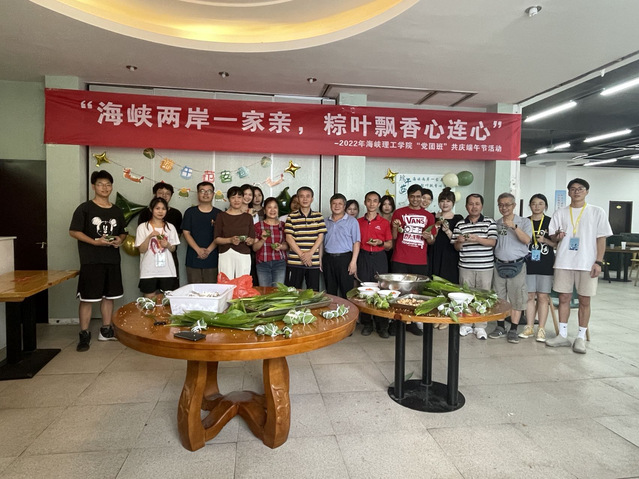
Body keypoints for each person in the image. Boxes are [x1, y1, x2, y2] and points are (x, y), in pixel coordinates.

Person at [546, 178, 613, 354]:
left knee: (584, 300)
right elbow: (553, 237)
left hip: (587, 262)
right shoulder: (560, 212)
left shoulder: (597, 212)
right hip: (564, 261)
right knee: (563, 298)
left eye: (580, 188)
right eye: (573, 189)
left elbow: (601, 239)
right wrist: (557, 236)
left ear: (587, 191)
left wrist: (598, 261)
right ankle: (562, 335)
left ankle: (581, 337)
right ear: (568, 192)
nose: (576, 192)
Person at [69, 170, 127, 352]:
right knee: (87, 298)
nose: (105, 187)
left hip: (112, 260)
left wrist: (119, 240)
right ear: (93, 187)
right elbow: (74, 231)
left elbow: (123, 232)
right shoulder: (85, 208)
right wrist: (95, 242)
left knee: (109, 297)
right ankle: (84, 333)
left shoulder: (116, 210)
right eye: (101, 184)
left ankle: (106, 330)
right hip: (91, 260)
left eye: (108, 184)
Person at [390, 184, 436, 335]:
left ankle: (412, 322)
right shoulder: (399, 212)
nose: (415, 199)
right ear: (408, 197)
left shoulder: (429, 216)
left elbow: (432, 241)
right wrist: (395, 227)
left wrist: (428, 237)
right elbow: (394, 237)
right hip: (400, 258)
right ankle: (398, 322)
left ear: (422, 198)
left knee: (416, 294)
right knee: (398, 292)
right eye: (412, 196)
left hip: (419, 261)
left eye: (418, 196)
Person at [452, 193, 497, 340]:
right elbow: (456, 248)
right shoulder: (460, 224)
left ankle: (480, 326)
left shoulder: (489, 222)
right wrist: (459, 241)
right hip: (465, 266)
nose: (474, 207)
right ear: (466, 206)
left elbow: (492, 242)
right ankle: (466, 324)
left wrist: (477, 239)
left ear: (481, 206)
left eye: (477, 204)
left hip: (485, 267)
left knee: (482, 297)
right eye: (471, 204)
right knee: (465, 297)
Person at [490, 193, 532, 344]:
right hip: (498, 264)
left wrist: (514, 226)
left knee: (517, 297)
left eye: (507, 204)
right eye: (501, 205)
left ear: (514, 205)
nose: (504, 208)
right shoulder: (496, 223)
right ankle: (500, 327)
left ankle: (514, 329)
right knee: (499, 298)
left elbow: (527, 240)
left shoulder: (524, 222)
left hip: (517, 264)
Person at [427, 187, 464, 330]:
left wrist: (448, 230)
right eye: (442, 201)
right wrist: (436, 226)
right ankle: (437, 315)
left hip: (450, 255)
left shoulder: (458, 219)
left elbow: (458, 240)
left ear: (453, 203)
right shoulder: (433, 217)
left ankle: (447, 317)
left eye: (448, 201)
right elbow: (430, 237)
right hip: (434, 254)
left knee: (449, 286)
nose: (445, 204)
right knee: (434, 286)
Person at [357, 191, 393, 337]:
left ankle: (382, 325)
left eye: (375, 201)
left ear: (378, 204)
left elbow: (390, 244)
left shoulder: (384, 223)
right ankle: (367, 323)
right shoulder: (358, 222)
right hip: (363, 256)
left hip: (379, 257)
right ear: (365, 202)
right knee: (365, 289)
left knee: (381, 289)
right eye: (369, 200)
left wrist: (380, 243)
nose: (372, 203)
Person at [523, 194, 556, 342]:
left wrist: (545, 241)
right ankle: (529, 327)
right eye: (534, 203)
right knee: (529, 296)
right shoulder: (525, 222)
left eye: (540, 203)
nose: (537, 206)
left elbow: (556, 244)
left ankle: (541, 328)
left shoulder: (551, 222)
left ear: (545, 206)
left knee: (543, 297)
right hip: (528, 263)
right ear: (530, 205)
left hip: (545, 264)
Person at [134, 197, 180, 297]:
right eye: (157, 208)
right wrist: (149, 237)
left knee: (167, 300)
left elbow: (173, 249)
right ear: (151, 209)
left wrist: (167, 245)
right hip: (149, 270)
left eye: (163, 209)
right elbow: (141, 250)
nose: (160, 211)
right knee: (149, 300)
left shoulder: (170, 227)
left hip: (167, 271)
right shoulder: (143, 227)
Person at [138, 181, 182, 281]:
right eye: (161, 193)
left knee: (170, 287)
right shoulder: (145, 213)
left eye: (167, 194)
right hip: (149, 259)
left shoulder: (176, 214)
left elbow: (177, 237)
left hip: (169, 256)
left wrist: (168, 244)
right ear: (155, 194)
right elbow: (141, 239)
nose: (164, 196)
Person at [284, 186, 326, 291]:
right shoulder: (291, 217)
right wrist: (302, 255)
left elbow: (320, 237)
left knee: (313, 293)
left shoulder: (318, 216)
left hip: (313, 262)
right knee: (293, 292)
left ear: (312, 199)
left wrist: (310, 254)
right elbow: (289, 238)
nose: (305, 199)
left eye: (308, 196)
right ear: (298, 199)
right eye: (302, 196)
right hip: (295, 262)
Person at [181, 181, 221, 283]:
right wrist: (198, 250)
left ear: (213, 194)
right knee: (194, 289)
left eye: (209, 191)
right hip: (193, 257)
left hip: (213, 258)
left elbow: (220, 235)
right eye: (202, 191)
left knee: (212, 290)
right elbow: (186, 233)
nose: (206, 194)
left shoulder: (219, 214)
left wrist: (208, 251)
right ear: (198, 194)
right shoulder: (190, 212)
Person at [323, 193, 361, 298]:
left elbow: (356, 242)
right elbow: (321, 242)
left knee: (347, 291)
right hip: (328, 259)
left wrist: (353, 262)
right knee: (330, 292)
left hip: (345, 259)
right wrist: (320, 260)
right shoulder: (325, 221)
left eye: (340, 204)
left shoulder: (352, 221)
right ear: (330, 205)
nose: (337, 206)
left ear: (344, 206)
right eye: (334, 203)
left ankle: (347, 309)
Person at [214, 186, 256, 279]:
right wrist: (230, 240)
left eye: (239, 197)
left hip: (244, 254)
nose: (236, 200)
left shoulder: (248, 217)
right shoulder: (221, 216)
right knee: (226, 283)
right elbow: (216, 239)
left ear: (242, 199)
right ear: (229, 199)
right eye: (233, 197)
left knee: (242, 283)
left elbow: (252, 238)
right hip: (226, 254)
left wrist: (250, 241)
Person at [253, 197, 288, 286]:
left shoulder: (283, 226)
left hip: (279, 263)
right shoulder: (258, 226)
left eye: (275, 207)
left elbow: (287, 245)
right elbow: (254, 248)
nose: (272, 210)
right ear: (264, 211)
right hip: (263, 263)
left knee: (278, 291)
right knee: (265, 291)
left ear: (278, 210)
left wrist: (281, 246)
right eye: (269, 207)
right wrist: (262, 239)